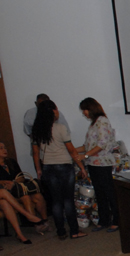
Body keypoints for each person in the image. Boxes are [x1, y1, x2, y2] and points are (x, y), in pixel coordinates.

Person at [31, 99, 88, 240]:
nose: (57, 112)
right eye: (56, 109)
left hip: (48, 167)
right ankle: (74, 231)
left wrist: (38, 169)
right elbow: (71, 150)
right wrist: (81, 166)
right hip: (64, 166)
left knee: (56, 201)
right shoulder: (60, 128)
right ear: (52, 111)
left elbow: (36, 153)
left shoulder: (36, 130)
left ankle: (61, 232)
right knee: (68, 200)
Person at [77, 97, 119, 232]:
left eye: (84, 110)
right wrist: (72, 150)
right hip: (93, 163)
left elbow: (101, 144)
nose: (84, 113)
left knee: (109, 193)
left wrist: (85, 155)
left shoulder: (102, 121)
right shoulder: (93, 123)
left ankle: (117, 221)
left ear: (90, 108)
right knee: (99, 193)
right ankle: (103, 220)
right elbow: (88, 145)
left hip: (103, 163)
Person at [0, 141, 48, 221]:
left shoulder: (11, 162)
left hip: (18, 189)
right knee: (25, 197)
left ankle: (45, 220)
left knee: (38, 196)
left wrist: (14, 182)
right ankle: (35, 223)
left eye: (5, 148)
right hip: (7, 193)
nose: (4, 150)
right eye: (1, 148)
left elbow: (21, 177)